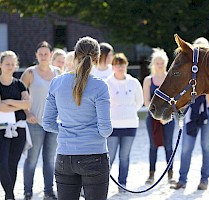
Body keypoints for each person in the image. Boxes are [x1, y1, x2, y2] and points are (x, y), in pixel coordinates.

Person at [42, 36, 112, 200]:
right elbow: (105, 130)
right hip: (94, 155)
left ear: (74, 55)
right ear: (96, 58)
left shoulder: (57, 83)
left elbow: (47, 123)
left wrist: (68, 129)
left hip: (65, 156)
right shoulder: (100, 86)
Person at [170, 37, 209, 191]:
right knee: (186, 148)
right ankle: (182, 179)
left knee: (206, 147)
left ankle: (204, 180)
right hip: (191, 113)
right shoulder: (190, 71)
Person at [21, 41, 60, 200]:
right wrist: (27, 113)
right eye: (40, 54)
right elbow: (20, 95)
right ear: (36, 55)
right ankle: (27, 191)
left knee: (50, 160)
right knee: (32, 159)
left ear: (51, 55)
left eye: (46, 53)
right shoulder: (30, 73)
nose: (43, 56)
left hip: (53, 123)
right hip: (34, 122)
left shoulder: (58, 72)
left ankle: (48, 191)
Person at [106, 53, 144, 192]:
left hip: (130, 124)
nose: (120, 67)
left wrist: (129, 111)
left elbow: (139, 101)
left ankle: (122, 184)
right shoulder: (107, 83)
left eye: (122, 64)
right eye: (117, 64)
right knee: (110, 156)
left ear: (126, 65)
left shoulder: (133, 82)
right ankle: (103, 184)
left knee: (124, 156)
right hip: (113, 126)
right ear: (113, 66)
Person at [0, 51, 31, 200]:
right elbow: (0, 108)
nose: (10, 67)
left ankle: (8, 195)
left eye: (13, 64)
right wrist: (18, 105)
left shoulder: (19, 84)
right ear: (0, 65)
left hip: (19, 128)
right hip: (1, 129)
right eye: (7, 64)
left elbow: (27, 103)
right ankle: (10, 194)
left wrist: (8, 102)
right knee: (2, 164)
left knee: (13, 164)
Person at [143, 47, 175, 184]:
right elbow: (146, 102)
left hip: (168, 118)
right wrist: (158, 116)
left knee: (169, 146)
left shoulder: (171, 79)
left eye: (162, 62)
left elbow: (174, 100)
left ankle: (170, 174)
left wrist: (165, 116)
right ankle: (151, 174)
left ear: (166, 63)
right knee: (153, 146)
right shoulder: (148, 80)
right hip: (152, 118)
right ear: (153, 64)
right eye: (157, 62)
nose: (160, 65)